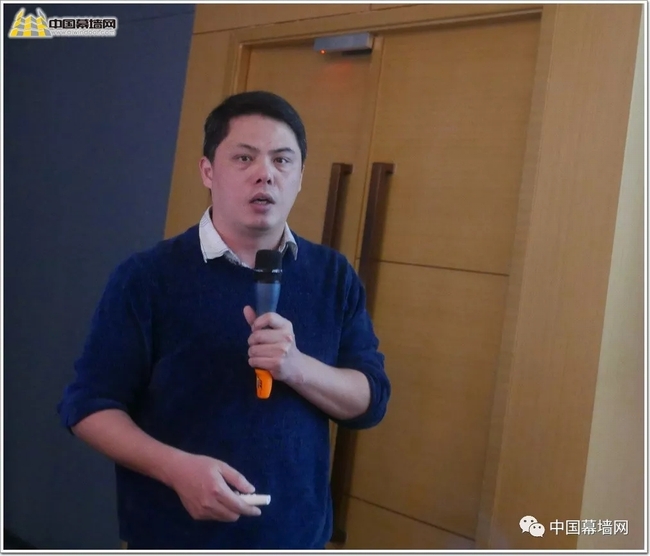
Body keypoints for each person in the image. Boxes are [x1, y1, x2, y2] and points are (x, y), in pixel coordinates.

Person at [57, 90, 391, 550]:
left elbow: (371, 400)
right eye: (244, 158)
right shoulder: (149, 277)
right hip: (174, 536)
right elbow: (88, 407)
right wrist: (176, 469)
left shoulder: (333, 275)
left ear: (300, 178)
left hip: (296, 537)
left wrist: (296, 367)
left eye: (282, 160)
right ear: (208, 171)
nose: (265, 174)